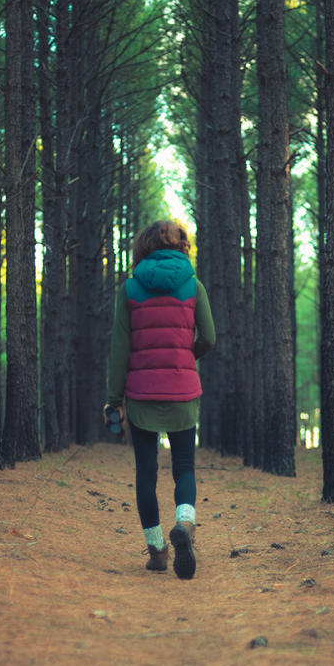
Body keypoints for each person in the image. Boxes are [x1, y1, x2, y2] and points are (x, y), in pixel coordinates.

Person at [105, 219, 215, 579]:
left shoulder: (131, 289)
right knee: (184, 467)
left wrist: (114, 398)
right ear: (180, 245)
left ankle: (157, 550)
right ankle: (184, 523)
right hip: (183, 390)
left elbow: (120, 348)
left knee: (146, 473)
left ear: (144, 246)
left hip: (140, 395)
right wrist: (186, 357)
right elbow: (209, 337)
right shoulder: (192, 285)